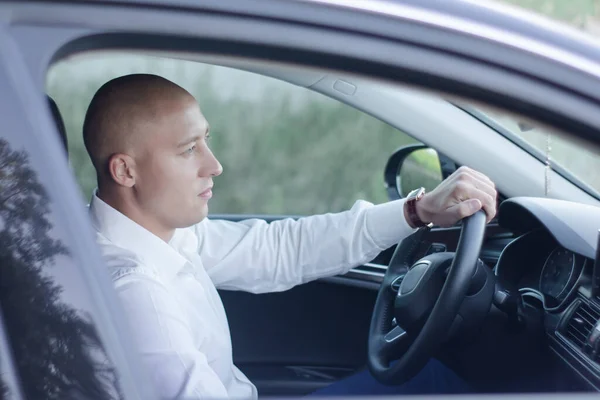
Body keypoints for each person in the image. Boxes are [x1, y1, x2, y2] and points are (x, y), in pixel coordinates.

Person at [83, 74, 497, 399]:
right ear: (125, 171)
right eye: (189, 149)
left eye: (206, 141)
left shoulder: (159, 236)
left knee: (430, 380)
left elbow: (281, 250)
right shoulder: (136, 295)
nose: (214, 165)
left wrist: (416, 211)